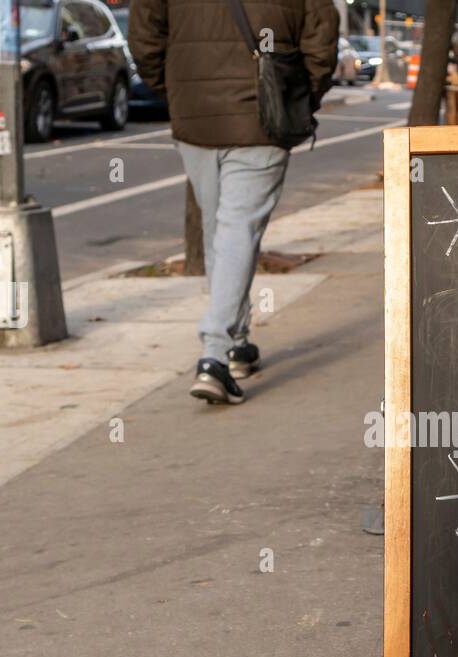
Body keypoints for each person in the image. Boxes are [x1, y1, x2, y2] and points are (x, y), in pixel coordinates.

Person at [130, 0, 339, 405]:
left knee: (221, 229)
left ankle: (237, 342)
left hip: (195, 114)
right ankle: (214, 356)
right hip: (264, 114)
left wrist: (177, 89)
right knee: (236, 230)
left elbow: (144, 38)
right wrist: (298, 96)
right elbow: (322, 40)